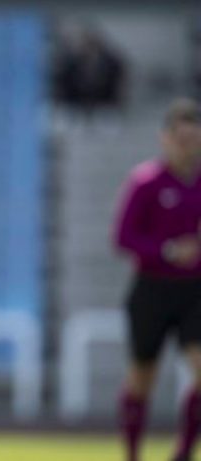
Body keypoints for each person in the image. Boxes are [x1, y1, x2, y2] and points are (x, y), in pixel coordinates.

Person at [114, 98, 201, 461]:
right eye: (180, 138)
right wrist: (167, 250)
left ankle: (183, 452)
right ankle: (133, 454)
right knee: (142, 377)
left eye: (192, 138)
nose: (186, 145)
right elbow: (123, 237)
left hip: (195, 291)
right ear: (165, 138)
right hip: (152, 288)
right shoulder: (146, 182)